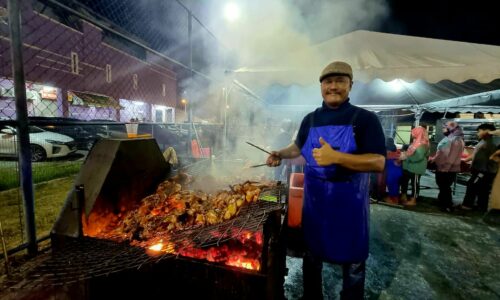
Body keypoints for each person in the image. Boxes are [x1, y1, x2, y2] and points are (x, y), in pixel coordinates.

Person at [266, 61, 386, 299]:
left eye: (340, 81)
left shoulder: (365, 119)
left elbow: (378, 162)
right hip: (316, 202)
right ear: (321, 86)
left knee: (352, 261)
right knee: (312, 254)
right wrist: (280, 153)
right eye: (328, 82)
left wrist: (336, 157)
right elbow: (297, 146)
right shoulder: (310, 119)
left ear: (350, 85)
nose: (333, 87)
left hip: (349, 203)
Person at [429, 121, 465, 212]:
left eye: (445, 128)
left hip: (448, 169)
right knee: (442, 185)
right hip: (441, 167)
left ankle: (447, 205)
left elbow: (452, 156)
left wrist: (446, 168)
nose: (443, 130)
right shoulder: (449, 138)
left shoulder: (456, 140)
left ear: (451, 128)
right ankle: (441, 201)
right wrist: (434, 159)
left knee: (445, 187)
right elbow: (441, 151)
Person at [461, 123, 498, 211]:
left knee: (472, 185)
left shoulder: (491, 143)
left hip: (484, 171)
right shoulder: (482, 142)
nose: (478, 133)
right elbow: (474, 154)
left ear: (488, 131)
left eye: (480, 131)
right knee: (482, 189)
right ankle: (481, 207)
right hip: (480, 170)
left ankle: (467, 205)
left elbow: (491, 159)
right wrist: (464, 161)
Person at [399, 126, 430, 206]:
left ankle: (413, 200)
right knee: (404, 181)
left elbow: (418, 157)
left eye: (414, 131)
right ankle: (404, 196)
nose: (412, 133)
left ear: (418, 133)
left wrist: (406, 157)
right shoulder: (416, 142)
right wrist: (405, 154)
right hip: (408, 167)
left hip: (416, 168)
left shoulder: (422, 144)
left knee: (414, 185)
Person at [383, 137, 403, 204]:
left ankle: (394, 200)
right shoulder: (396, 151)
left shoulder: (386, 152)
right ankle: (394, 199)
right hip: (397, 172)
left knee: (392, 186)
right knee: (395, 186)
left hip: (392, 173)